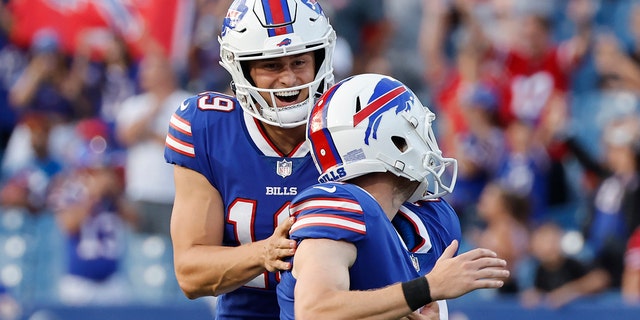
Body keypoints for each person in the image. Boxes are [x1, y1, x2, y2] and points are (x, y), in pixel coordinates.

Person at [277, 73, 509, 320]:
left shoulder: (432, 217)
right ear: (397, 142)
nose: (429, 140)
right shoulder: (339, 206)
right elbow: (314, 312)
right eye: (417, 127)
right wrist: (427, 288)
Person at [164, 0, 336, 319]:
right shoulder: (208, 128)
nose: (288, 79)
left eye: (299, 62)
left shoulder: (353, 124)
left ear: (320, 59)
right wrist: (264, 253)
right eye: (271, 65)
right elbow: (190, 273)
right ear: (241, 69)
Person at [116, 48, 191, 236]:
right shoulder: (133, 104)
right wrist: (154, 109)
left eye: (150, 69)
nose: (143, 74)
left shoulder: (188, 103)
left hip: (174, 195)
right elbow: (125, 136)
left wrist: (152, 136)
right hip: (139, 192)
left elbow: (188, 146)